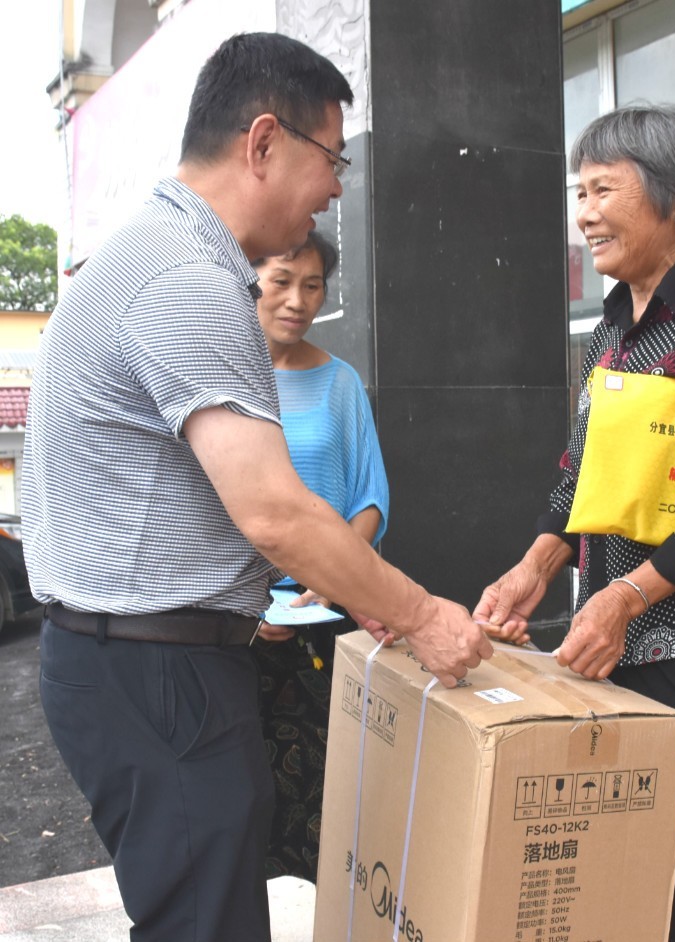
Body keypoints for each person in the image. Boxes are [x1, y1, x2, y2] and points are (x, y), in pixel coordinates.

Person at [20, 32, 492, 942]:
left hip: (125, 659)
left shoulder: (146, 254)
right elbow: (273, 510)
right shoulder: (187, 279)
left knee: (196, 909)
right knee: (207, 923)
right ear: (264, 142)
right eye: (333, 157)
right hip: (159, 671)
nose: (337, 187)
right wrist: (425, 617)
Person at [473, 104, 675, 942]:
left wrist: (620, 600)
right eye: (576, 192)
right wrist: (534, 568)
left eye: (601, 190)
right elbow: (583, 469)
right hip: (619, 628)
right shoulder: (618, 319)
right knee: (621, 866)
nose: (582, 213)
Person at [251, 231, 388, 881]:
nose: (297, 300)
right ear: (249, 281)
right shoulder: (221, 379)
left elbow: (370, 498)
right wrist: (240, 602)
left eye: (312, 285)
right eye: (281, 281)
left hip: (324, 619)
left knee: (335, 792)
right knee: (241, 801)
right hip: (234, 625)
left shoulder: (339, 382)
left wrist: (332, 577)